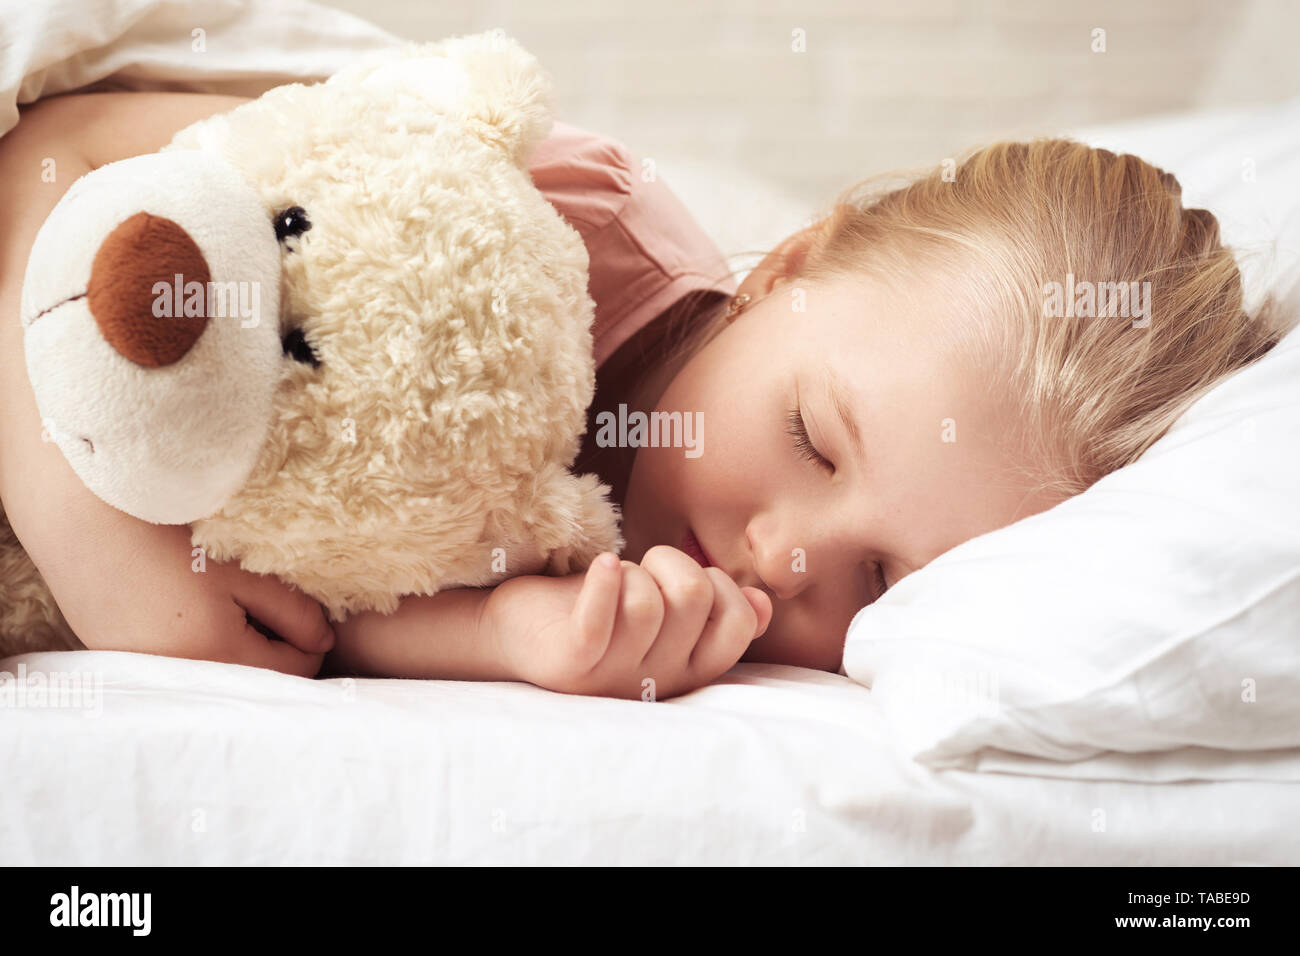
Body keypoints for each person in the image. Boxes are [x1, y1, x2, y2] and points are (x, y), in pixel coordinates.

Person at [0, 91, 1279, 700]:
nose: (788, 559)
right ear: (783, 266)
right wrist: (88, 535)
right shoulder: (531, 228)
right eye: (810, 439)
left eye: (884, 582)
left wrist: (506, 639)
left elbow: (338, 601)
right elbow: (58, 153)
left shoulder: (673, 621)